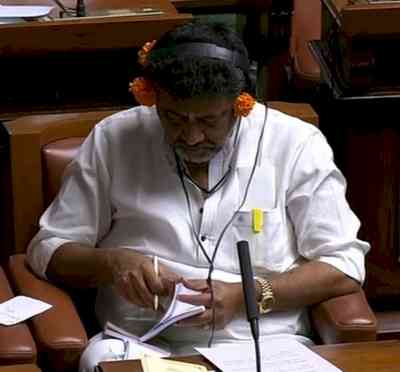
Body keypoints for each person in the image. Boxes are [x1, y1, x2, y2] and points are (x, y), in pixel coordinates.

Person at [27, 20, 369, 369]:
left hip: (264, 344)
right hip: (142, 344)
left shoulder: (294, 145)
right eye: (173, 118)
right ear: (152, 97)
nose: (190, 138)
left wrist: (246, 296)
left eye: (208, 122)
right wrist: (112, 263)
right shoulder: (115, 139)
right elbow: (48, 249)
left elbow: (344, 265)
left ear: (240, 104)